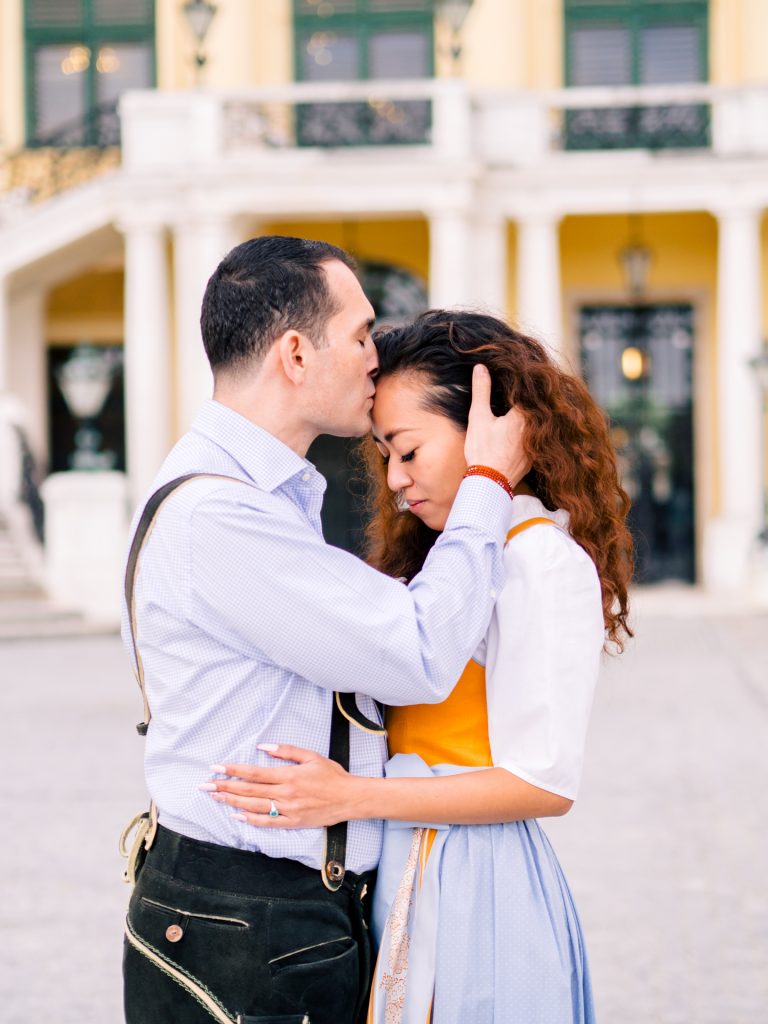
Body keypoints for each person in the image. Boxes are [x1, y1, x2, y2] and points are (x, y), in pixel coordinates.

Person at [121, 239, 530, 1024]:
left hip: (257, 916)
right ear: (297, 354)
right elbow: (416, 655)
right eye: (362, 334)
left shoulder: (252, 497)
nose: (375, 358)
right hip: (247, 922)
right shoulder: (225, 515)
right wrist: (486, 484)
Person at [204, 309, 634, 1024]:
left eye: (408, 450)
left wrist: (351, 798)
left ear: (490, 428)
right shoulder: (452, 562)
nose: (397, 479)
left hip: (479, 888)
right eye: (385, 457)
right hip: (412, 871)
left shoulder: (539, 561)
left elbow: (544, 782)